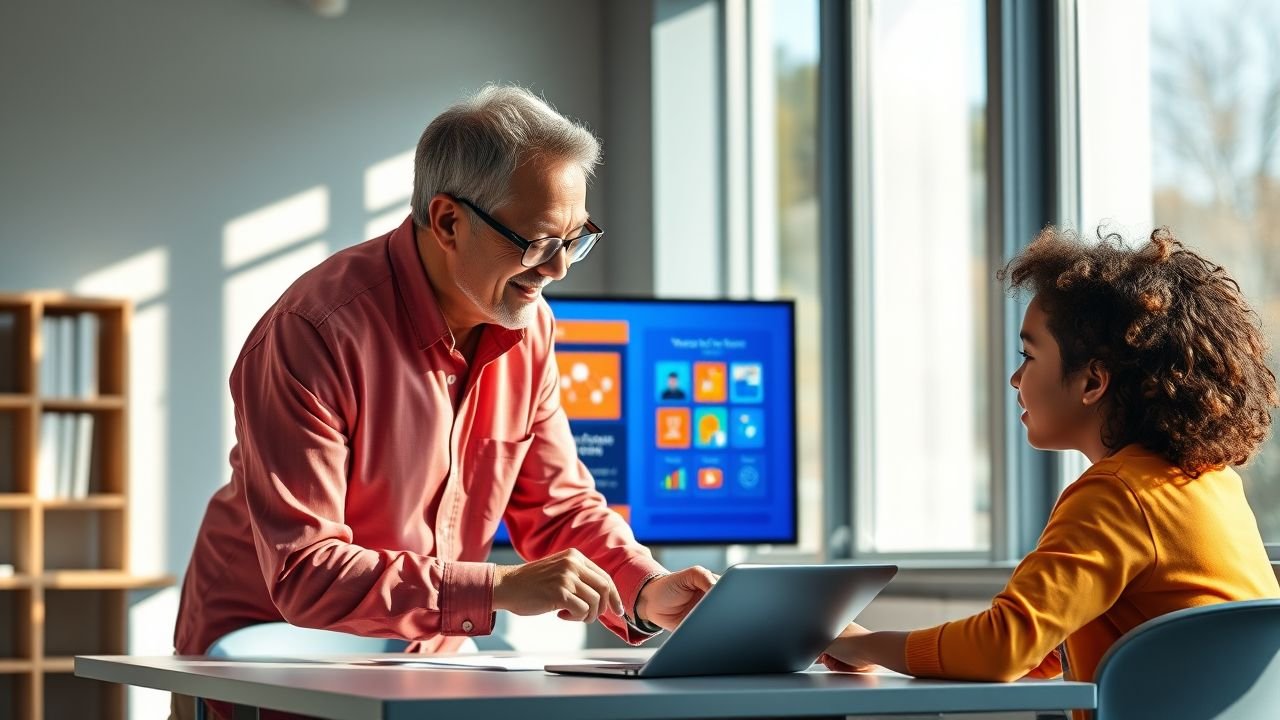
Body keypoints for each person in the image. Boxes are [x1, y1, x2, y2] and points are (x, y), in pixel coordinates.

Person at [173, 85, 714, 718]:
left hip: (424, 654)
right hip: (268, 657)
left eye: (576, 238)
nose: (560, 270)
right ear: (448, 221)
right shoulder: (314, 331)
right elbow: (307, 572)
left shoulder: (530, 327)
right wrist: (500, 586)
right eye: (539, 242)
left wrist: (646, 587)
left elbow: (558, 505)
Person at [821, 227, 1280, 713]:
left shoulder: (1116, 495)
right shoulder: (1209, 481)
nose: (1017, 379)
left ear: (1093, 381)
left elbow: (1001, 648)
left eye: (1029, 356)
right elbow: (1040, 640)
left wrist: (859, 644)